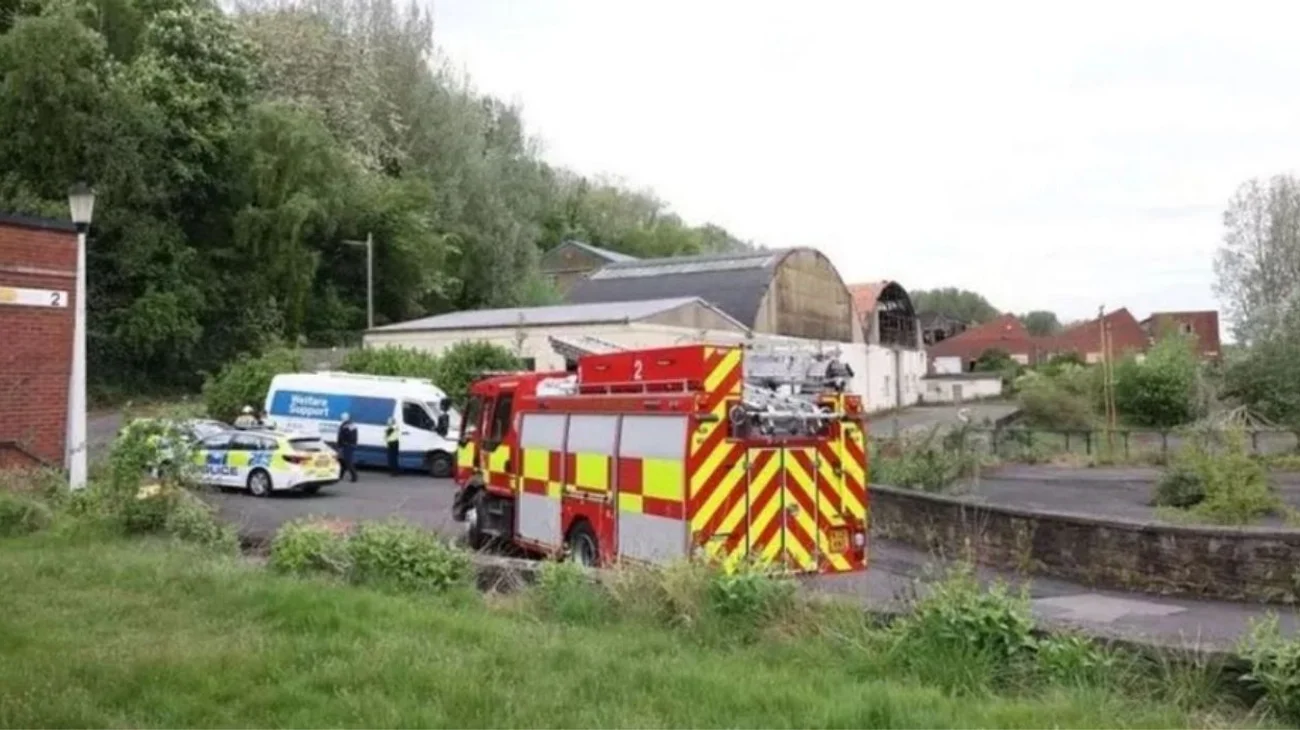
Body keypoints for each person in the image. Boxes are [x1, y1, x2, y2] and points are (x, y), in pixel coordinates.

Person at [336, 412, 358, 483]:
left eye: (342, 417)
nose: (341, 418)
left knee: (348, 461)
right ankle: (340, 475)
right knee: (342, 461)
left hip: (348, 445)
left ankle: (354, 477)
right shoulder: (346, 424)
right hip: (344, 445)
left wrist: (346, 442)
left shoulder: (349, 425)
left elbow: (352, 436)